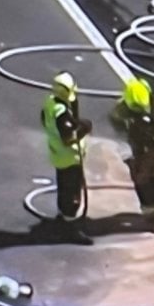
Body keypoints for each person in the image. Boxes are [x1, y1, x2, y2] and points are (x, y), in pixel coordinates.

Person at [109, 78, 154, 233]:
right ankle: (150, 216)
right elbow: (118, 134)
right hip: (137, 151)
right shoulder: (120, 111)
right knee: (143, 181)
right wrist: (127, 156)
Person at [41, 72, 93, 245]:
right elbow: (68, 137)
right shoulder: (62, 113)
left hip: (57, 155)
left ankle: (62, 216)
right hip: (69, 157)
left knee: (63, 187)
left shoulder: (50, 103)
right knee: (72, 193)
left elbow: (44, 121)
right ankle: (70, 228)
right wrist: (84, 128)